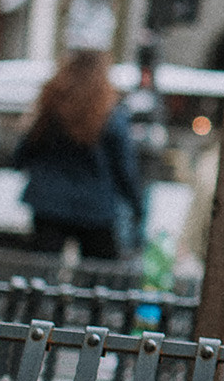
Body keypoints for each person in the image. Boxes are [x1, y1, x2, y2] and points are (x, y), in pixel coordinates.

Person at [13, 51, 144, 261]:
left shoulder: (51, 107)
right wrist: (136, 204)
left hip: (49, 200)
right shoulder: (110, 114)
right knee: (98, 277)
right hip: (95, 205)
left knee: (42, 273)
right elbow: (124, 167)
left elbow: (24, 151)